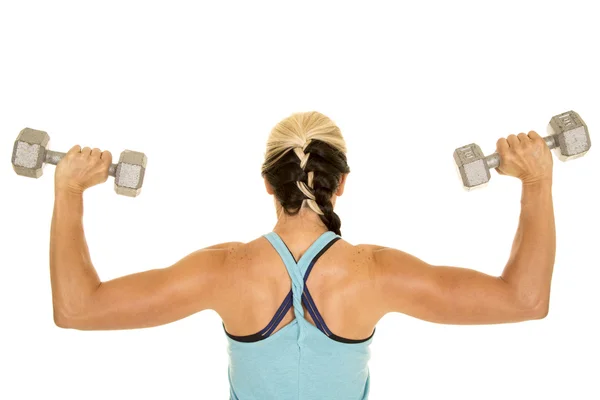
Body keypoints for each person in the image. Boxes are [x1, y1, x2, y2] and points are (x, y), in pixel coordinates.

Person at [50, 111, 555, 400]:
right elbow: (524, 300)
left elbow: (78, 309)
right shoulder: (375, 274)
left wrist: (69, 190)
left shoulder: (224, 271)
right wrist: (536, 180)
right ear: (342, 184)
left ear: (268, 182)